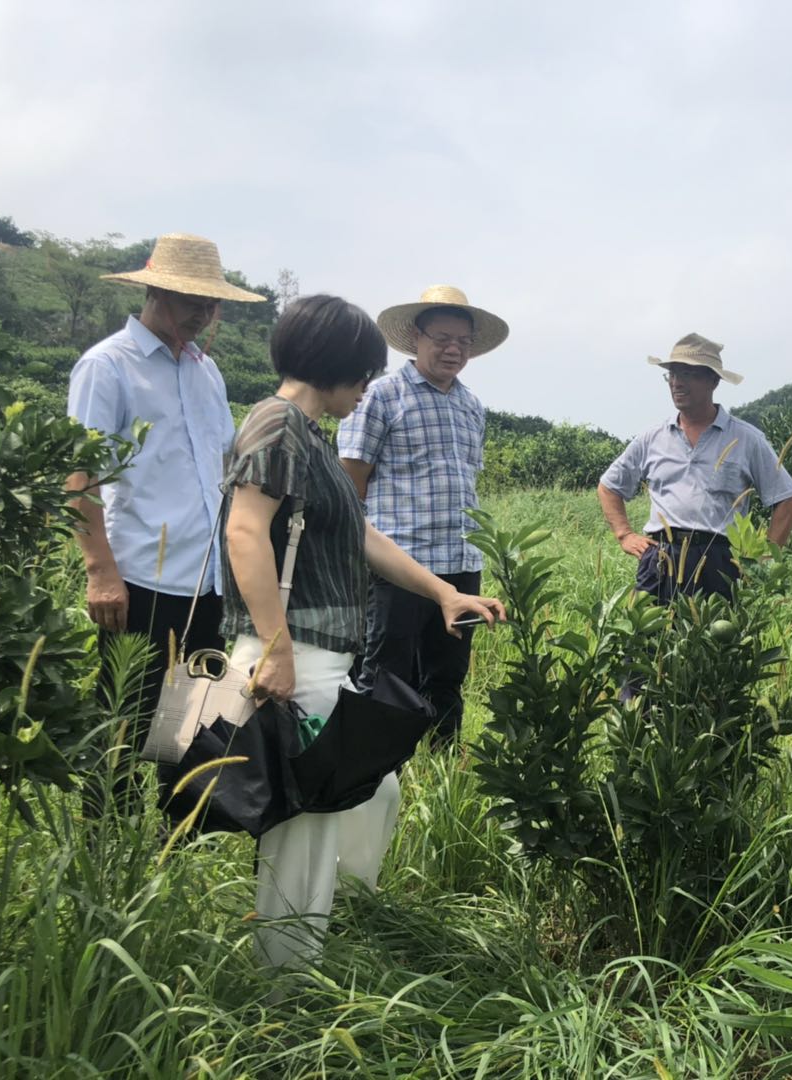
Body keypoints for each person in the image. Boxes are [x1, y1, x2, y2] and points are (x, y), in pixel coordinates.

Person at [222, 293, 505, 970]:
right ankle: (285, 980)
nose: (367, 387)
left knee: (376, 786)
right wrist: (276, 648)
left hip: (323, 653)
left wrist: (442, 592)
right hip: (295, 652)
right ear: (336, 364)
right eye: (363, 373)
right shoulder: (277, 424)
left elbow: (361, 533)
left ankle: (350, 916)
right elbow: (243, 529)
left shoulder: (307, 435)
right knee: (310, 821)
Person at [66, 233, 264, 818]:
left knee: (186, 725)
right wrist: (100, 571)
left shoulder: (207, 373)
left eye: (211, 303)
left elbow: (223, 469)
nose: (203, 313)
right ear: (154, 289)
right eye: (190, 299)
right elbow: (80, 475)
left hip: (206, 581)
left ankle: (168, 847)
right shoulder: (108, 367)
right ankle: (106, 845)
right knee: (126, 723)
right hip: (140, 582)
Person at [338, 285, 507, 747]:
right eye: (442, 337)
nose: (453, 349)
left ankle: (439, 767)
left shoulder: (471, 405)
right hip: (399, 564)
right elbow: (350, 483)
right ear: (416, 337)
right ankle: (375, 773)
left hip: (460, 564)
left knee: (447, 676)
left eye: (463, 342)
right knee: (387, 674)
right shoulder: (380, 396)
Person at [597, 333, 792, 603]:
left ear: (713, 381)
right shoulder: (652, 437)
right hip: (661, 557)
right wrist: (624, 534)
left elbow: (787, 497)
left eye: (688, 374)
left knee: (717, 642)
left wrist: (763, 560)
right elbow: (609, 486)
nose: (677, 383)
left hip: (720, 561)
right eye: (672, 374)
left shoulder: (746, 439)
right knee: (652, 643)